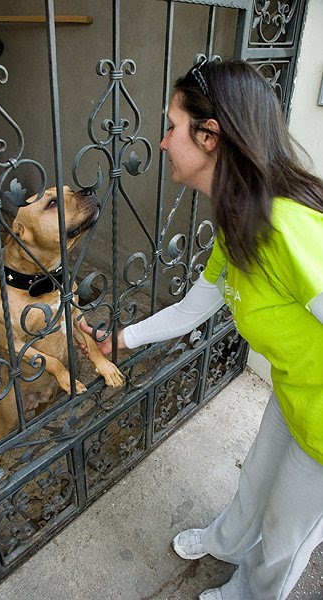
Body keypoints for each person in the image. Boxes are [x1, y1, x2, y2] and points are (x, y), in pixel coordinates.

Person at [79, 59, 323, 600]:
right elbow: (196, 307)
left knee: (288, 533)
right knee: (258, 477)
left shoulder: (285, 228)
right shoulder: (240, 224)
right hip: (296, 388)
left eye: (171, 126)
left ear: (210, 136)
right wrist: (122, 339)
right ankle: (229, 541)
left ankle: (252, 594)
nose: (163, 143)